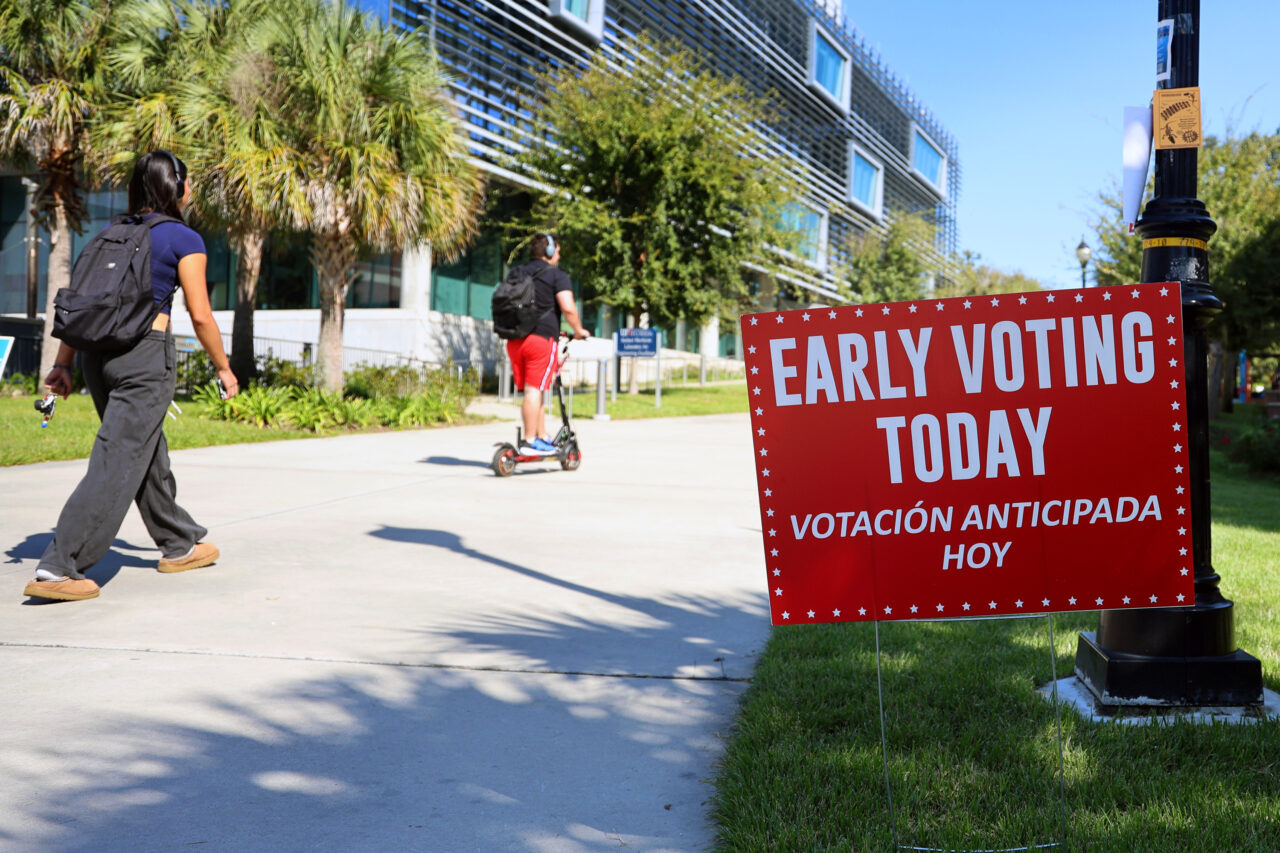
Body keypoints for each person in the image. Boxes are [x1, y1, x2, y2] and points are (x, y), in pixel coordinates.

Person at [23, 150, 239, 602]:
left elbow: (82, 304)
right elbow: (200, 315)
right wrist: (223, 366)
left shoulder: (108, 234)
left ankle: (178, 543)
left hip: (97, 360)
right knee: (118, 457)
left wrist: (64, 364)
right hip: (145, 359)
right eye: (188, 181)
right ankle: (61, 564)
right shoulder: (183, 238)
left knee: (142, 449)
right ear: (175, 186)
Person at [507, 233, 588, 454]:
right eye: (558, 251)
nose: (559, 256)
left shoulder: (516, 272)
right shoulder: (556, 275)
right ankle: (529, 440)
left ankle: (541, 436)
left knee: (535, 389)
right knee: (535, 390)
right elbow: (568, 308)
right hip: (541, 340)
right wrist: (578, 330)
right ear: (550, 251)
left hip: (514, 340)